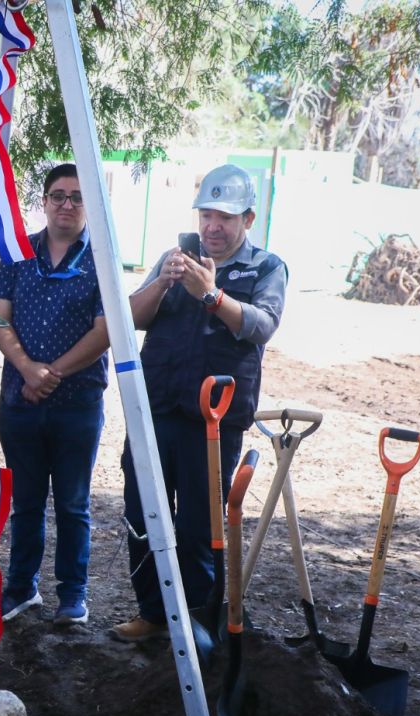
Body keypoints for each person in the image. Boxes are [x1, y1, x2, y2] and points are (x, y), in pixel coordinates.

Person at [111, 164, 288, 642]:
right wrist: (162, 283)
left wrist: (210, 295)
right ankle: (152, 614)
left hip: (214, 421)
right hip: (156, 409)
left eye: (225, 217)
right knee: (144, 513)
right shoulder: (176, 257)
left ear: (247, 219)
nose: (213, 226)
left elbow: (262, 325)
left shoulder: (266, 267)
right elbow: (129, 319)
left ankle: (198, 624)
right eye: (206, 215)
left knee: (200, 525)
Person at [0, 163, 109, 626]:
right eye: (58, 195)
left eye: (77, 197)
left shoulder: (102, 259)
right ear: (44, 201)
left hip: (77, 405)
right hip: (20, 403)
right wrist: (26, 369)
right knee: (26, 502)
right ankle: (22, 588)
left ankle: (72, 595)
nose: (67, 204)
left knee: (73, 505)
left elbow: (105, 332)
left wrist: (50, 374)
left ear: (88, 204)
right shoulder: (17, 254)